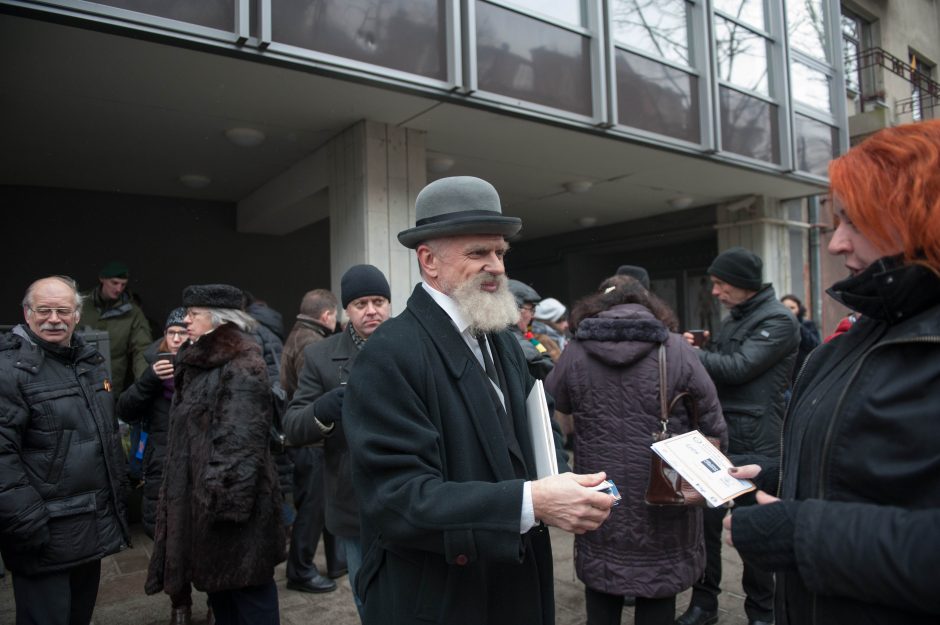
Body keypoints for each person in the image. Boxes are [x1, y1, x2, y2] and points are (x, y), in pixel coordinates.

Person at [343, 175, 616, 625]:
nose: (497, 266)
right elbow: (398, 500)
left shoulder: (501, 338)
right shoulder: (389, 354)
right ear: (429, 260)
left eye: (501, 252)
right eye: (478, 253)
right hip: (438, 598)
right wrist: (531, 503)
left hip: (513, 585)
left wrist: (564, 485)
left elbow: (525, 441)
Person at [724, 120, 940, 625]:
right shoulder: (861, 334)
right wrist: (774, 474)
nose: (837, 244)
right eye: (835, 224)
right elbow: (879, 468)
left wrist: (800, 533)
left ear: (920, 216)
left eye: (855, 222)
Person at [545, 276, 726, 625]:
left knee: (602, 577)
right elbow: (712, 420)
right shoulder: (675, 348)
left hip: (599, 489)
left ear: (597, 308)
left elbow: (553, 402)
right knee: (658, 583)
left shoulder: (577, 350)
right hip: (663, 489)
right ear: (650, 305)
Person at [145, 284, 286, 625]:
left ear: (219, 319)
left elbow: (240, 441)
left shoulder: (240, 362)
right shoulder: (201, 361)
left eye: (194, 314)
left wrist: (219, 508)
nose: (187, 321)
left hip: (232, 514)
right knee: (223, 599)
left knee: (250, 597)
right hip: (205, 508)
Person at [676, 246, 799, 625]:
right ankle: (704, 604)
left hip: (758, 444)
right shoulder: (735, 318)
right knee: (705, 529)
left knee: (754, 532)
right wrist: (702, 349)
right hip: (719, 436)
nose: (714, 291)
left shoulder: (779, 321)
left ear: (744, 285)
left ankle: (762, 613)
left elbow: (739, 367)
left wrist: (687, 353)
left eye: (720, 284)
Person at [0, 275, 130, 625]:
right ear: (26, 315)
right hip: (43, 535)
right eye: (43, 310)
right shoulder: (8, 371)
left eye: (62, 310)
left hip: (88, 526)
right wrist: (27, 523)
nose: (53, 318)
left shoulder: (88, 363)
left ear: (77, 315)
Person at [282, 265, 392, 615]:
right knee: (368, 595)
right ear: (347, 310)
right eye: (361, 303)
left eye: (379, 301)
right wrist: (323, 410)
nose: (371, 310)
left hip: (412, 491)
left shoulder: (414, 345)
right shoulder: (321, 356)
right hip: (353, 498)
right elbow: (294, 425)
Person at [116, 307, 194, 624]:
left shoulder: (203, 365)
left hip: (197, 461)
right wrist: (150, 379)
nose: (176, 340)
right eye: (171, 333)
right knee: (168, 538)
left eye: (183, 334)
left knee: (206, 535)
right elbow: (126, 409)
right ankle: (180, 603)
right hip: (161, 462)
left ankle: (218, 599)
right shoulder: (151, 364)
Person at [80, 261, 153, 395]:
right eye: (114, 283)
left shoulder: (133, 313)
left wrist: (144, 382)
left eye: (123, 284)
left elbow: (142, 349)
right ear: (102, 279)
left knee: (107, 407)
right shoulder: (80, 305)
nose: (119, 289)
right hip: (78, 378)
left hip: (109, 382)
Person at [507, 279, 558, 377]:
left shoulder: (520, 338)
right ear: (516, 309)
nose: (532, 316)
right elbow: (549, 372)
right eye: (531, 309)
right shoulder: (517, 342)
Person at [779, 294, 820, 385]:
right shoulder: (776, 325)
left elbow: (815, 345)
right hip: (782, 374)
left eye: (792, 308)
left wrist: (797, 325)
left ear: (798, 309)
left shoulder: (807, 325)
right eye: (785, 307)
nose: (789, 311)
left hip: (802, 371)